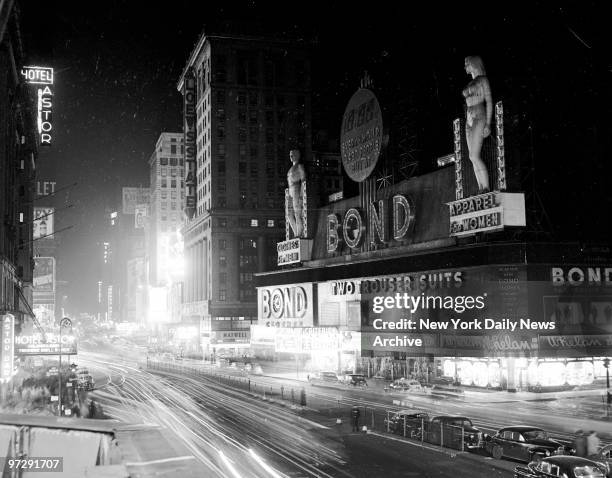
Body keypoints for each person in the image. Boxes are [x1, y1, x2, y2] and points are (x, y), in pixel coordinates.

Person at [462, 56, 493, 193]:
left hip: (479, 115)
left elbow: (489, 102)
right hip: (469, 118)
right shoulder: (472, 82)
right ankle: (481, 188)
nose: (465, 67)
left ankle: (486, 187)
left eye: (467, 64)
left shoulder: (483, 80)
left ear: (473, 64)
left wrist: (488, 123)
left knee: (474, 155)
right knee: (471, 157)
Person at [286, 149, 307, 237]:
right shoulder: (291, 168)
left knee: (297, 213)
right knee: (289, 214)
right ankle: (296, 233)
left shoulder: (300, 166)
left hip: (296, 189)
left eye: (293, 155)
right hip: (290, 191)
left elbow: (303, 180)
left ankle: (299, 233)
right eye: (290, 155)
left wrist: (302, 194)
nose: (291, 156)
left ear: (297, 155)